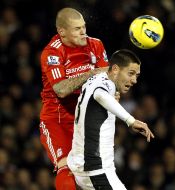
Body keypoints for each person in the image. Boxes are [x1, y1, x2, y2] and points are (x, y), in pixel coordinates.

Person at [39, 7, 109, 190]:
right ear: (62, 32)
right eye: (77, 28)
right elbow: (61, 89)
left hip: (86, 119)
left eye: (84, 26)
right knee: (65, 167)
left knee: (93, 171)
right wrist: (91, 73)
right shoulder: (52, 52)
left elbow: (107, 81)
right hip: (58, 119)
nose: (83, 32)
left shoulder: (96, 45)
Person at [67, 49, 155, 190]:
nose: (134, 80)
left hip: (87, 167)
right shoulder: (105, 85)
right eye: (130, 74)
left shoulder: (97, 79)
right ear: (115, 69)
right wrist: (130, 120)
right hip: (96, 170)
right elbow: (100, 95)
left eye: (137, 75)